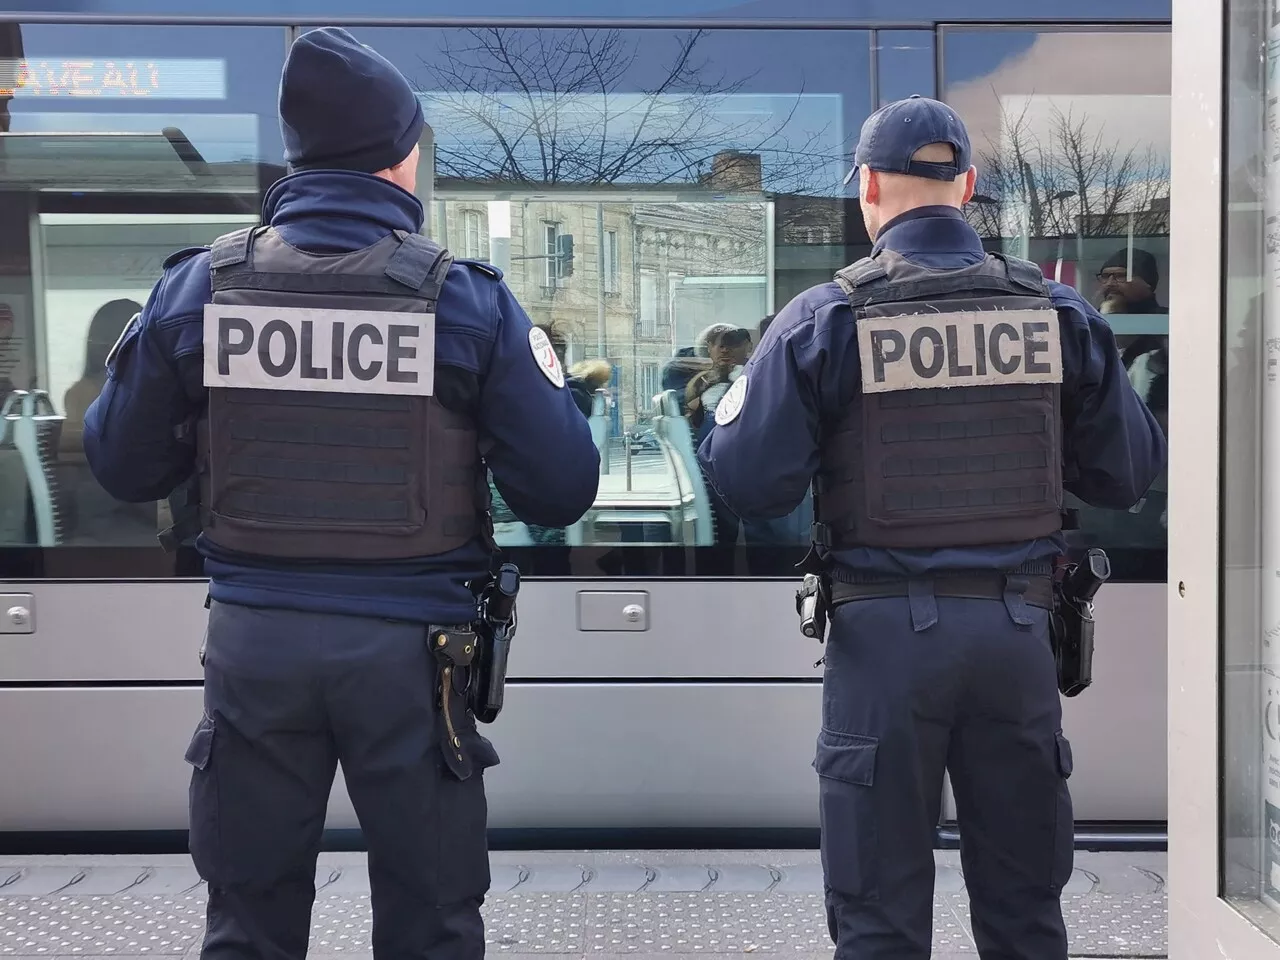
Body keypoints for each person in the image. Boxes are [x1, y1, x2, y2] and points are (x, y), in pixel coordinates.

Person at [82, 27, 600, 960]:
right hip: (416, 659)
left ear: (298, 154)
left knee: (248, 921)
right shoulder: (466, 302)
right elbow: (561, 487)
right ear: (403, 160)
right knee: (432, 921)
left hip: (256, 649)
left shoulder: (201, 288)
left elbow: (121, 466)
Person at [697, 95, 1166, 960]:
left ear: (868, 187)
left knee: (878, 920)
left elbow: (750, 485)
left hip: (883, 645)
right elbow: (1127, 472)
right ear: (970, 187)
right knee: (1026, 913)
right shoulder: (1058, 312)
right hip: (1020, 634)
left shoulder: (826, 315)